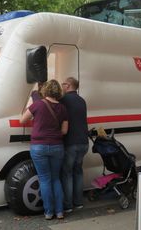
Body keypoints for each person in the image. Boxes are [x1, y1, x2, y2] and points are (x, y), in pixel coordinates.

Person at [20, 79, 68, 220]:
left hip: (39, 147)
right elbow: (64, 131)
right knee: (56, 179)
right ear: (58, 91)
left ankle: (48, 212)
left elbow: (23, 120)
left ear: (45, 90)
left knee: (45, 179)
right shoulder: (63, 108)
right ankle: (59, 212)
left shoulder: (37, 105)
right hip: (57, 146)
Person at [60, 77, 89, 213]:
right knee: (78, 172)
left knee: (67, 174)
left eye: (63, 84)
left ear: (68, 85)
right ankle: (78, 203)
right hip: (83, 142)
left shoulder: (64, 100)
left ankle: (68, 205)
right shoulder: (82, 100)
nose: (62, 86)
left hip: (70, 142)